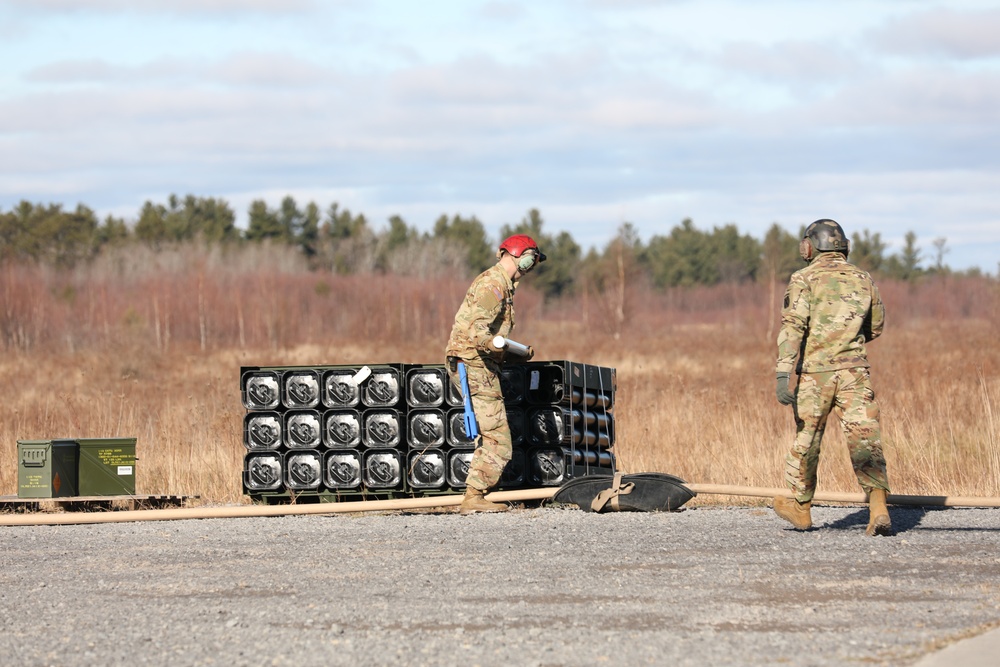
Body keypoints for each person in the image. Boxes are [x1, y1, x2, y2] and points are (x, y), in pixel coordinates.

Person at [773, 219, 892, 536]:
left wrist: (783, 372)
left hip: (816, 375)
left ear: (809, 246)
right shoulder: (862, 277)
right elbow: (876, 326)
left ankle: (801, 508)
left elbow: (793, 328)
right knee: (865, 438)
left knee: (807, 440)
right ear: (843, 246)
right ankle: (878, 506)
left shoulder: (804, 278)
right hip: (855, 373)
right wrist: (848, 339)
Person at [446, 234, 544, 515]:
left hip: (477, 361)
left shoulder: (502, 285)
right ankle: (474, 496)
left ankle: (476, 493)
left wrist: (514, 351)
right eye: (531, 259)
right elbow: (479, 332)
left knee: (491, 433)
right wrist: (493, 345)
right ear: (519, 255)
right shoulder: (493, 284)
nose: (531, 266)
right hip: (474, 362)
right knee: (498, 439)